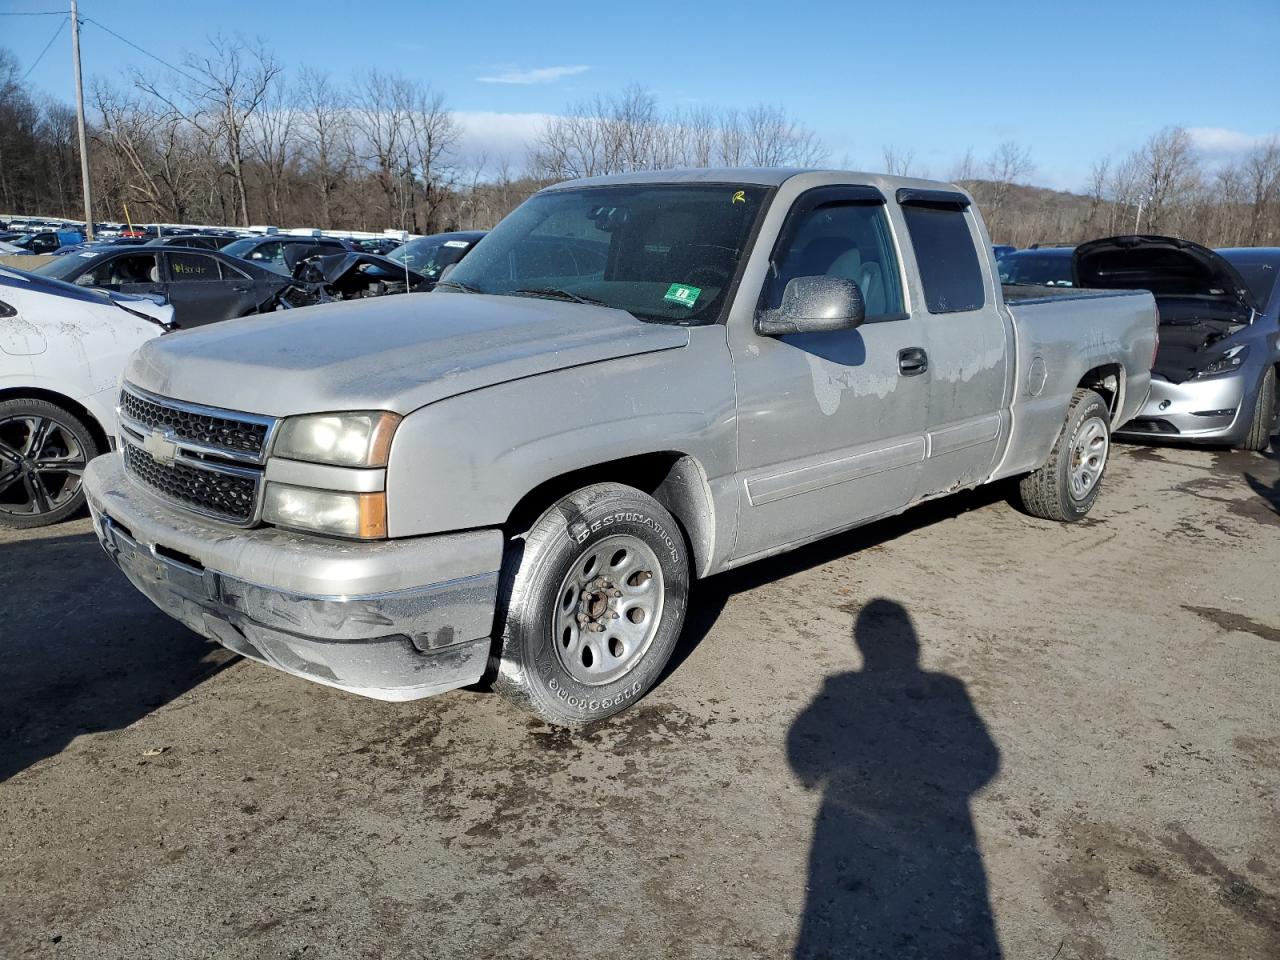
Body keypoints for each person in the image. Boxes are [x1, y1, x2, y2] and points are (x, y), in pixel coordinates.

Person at [788, 598, 1003, 959]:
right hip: (934, 836)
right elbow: (987, 758)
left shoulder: (840, 689)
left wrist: (812, 776)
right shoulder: (946, 689)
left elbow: (801, 743)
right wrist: (950, 791)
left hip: (845, 827)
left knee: (839, 915)